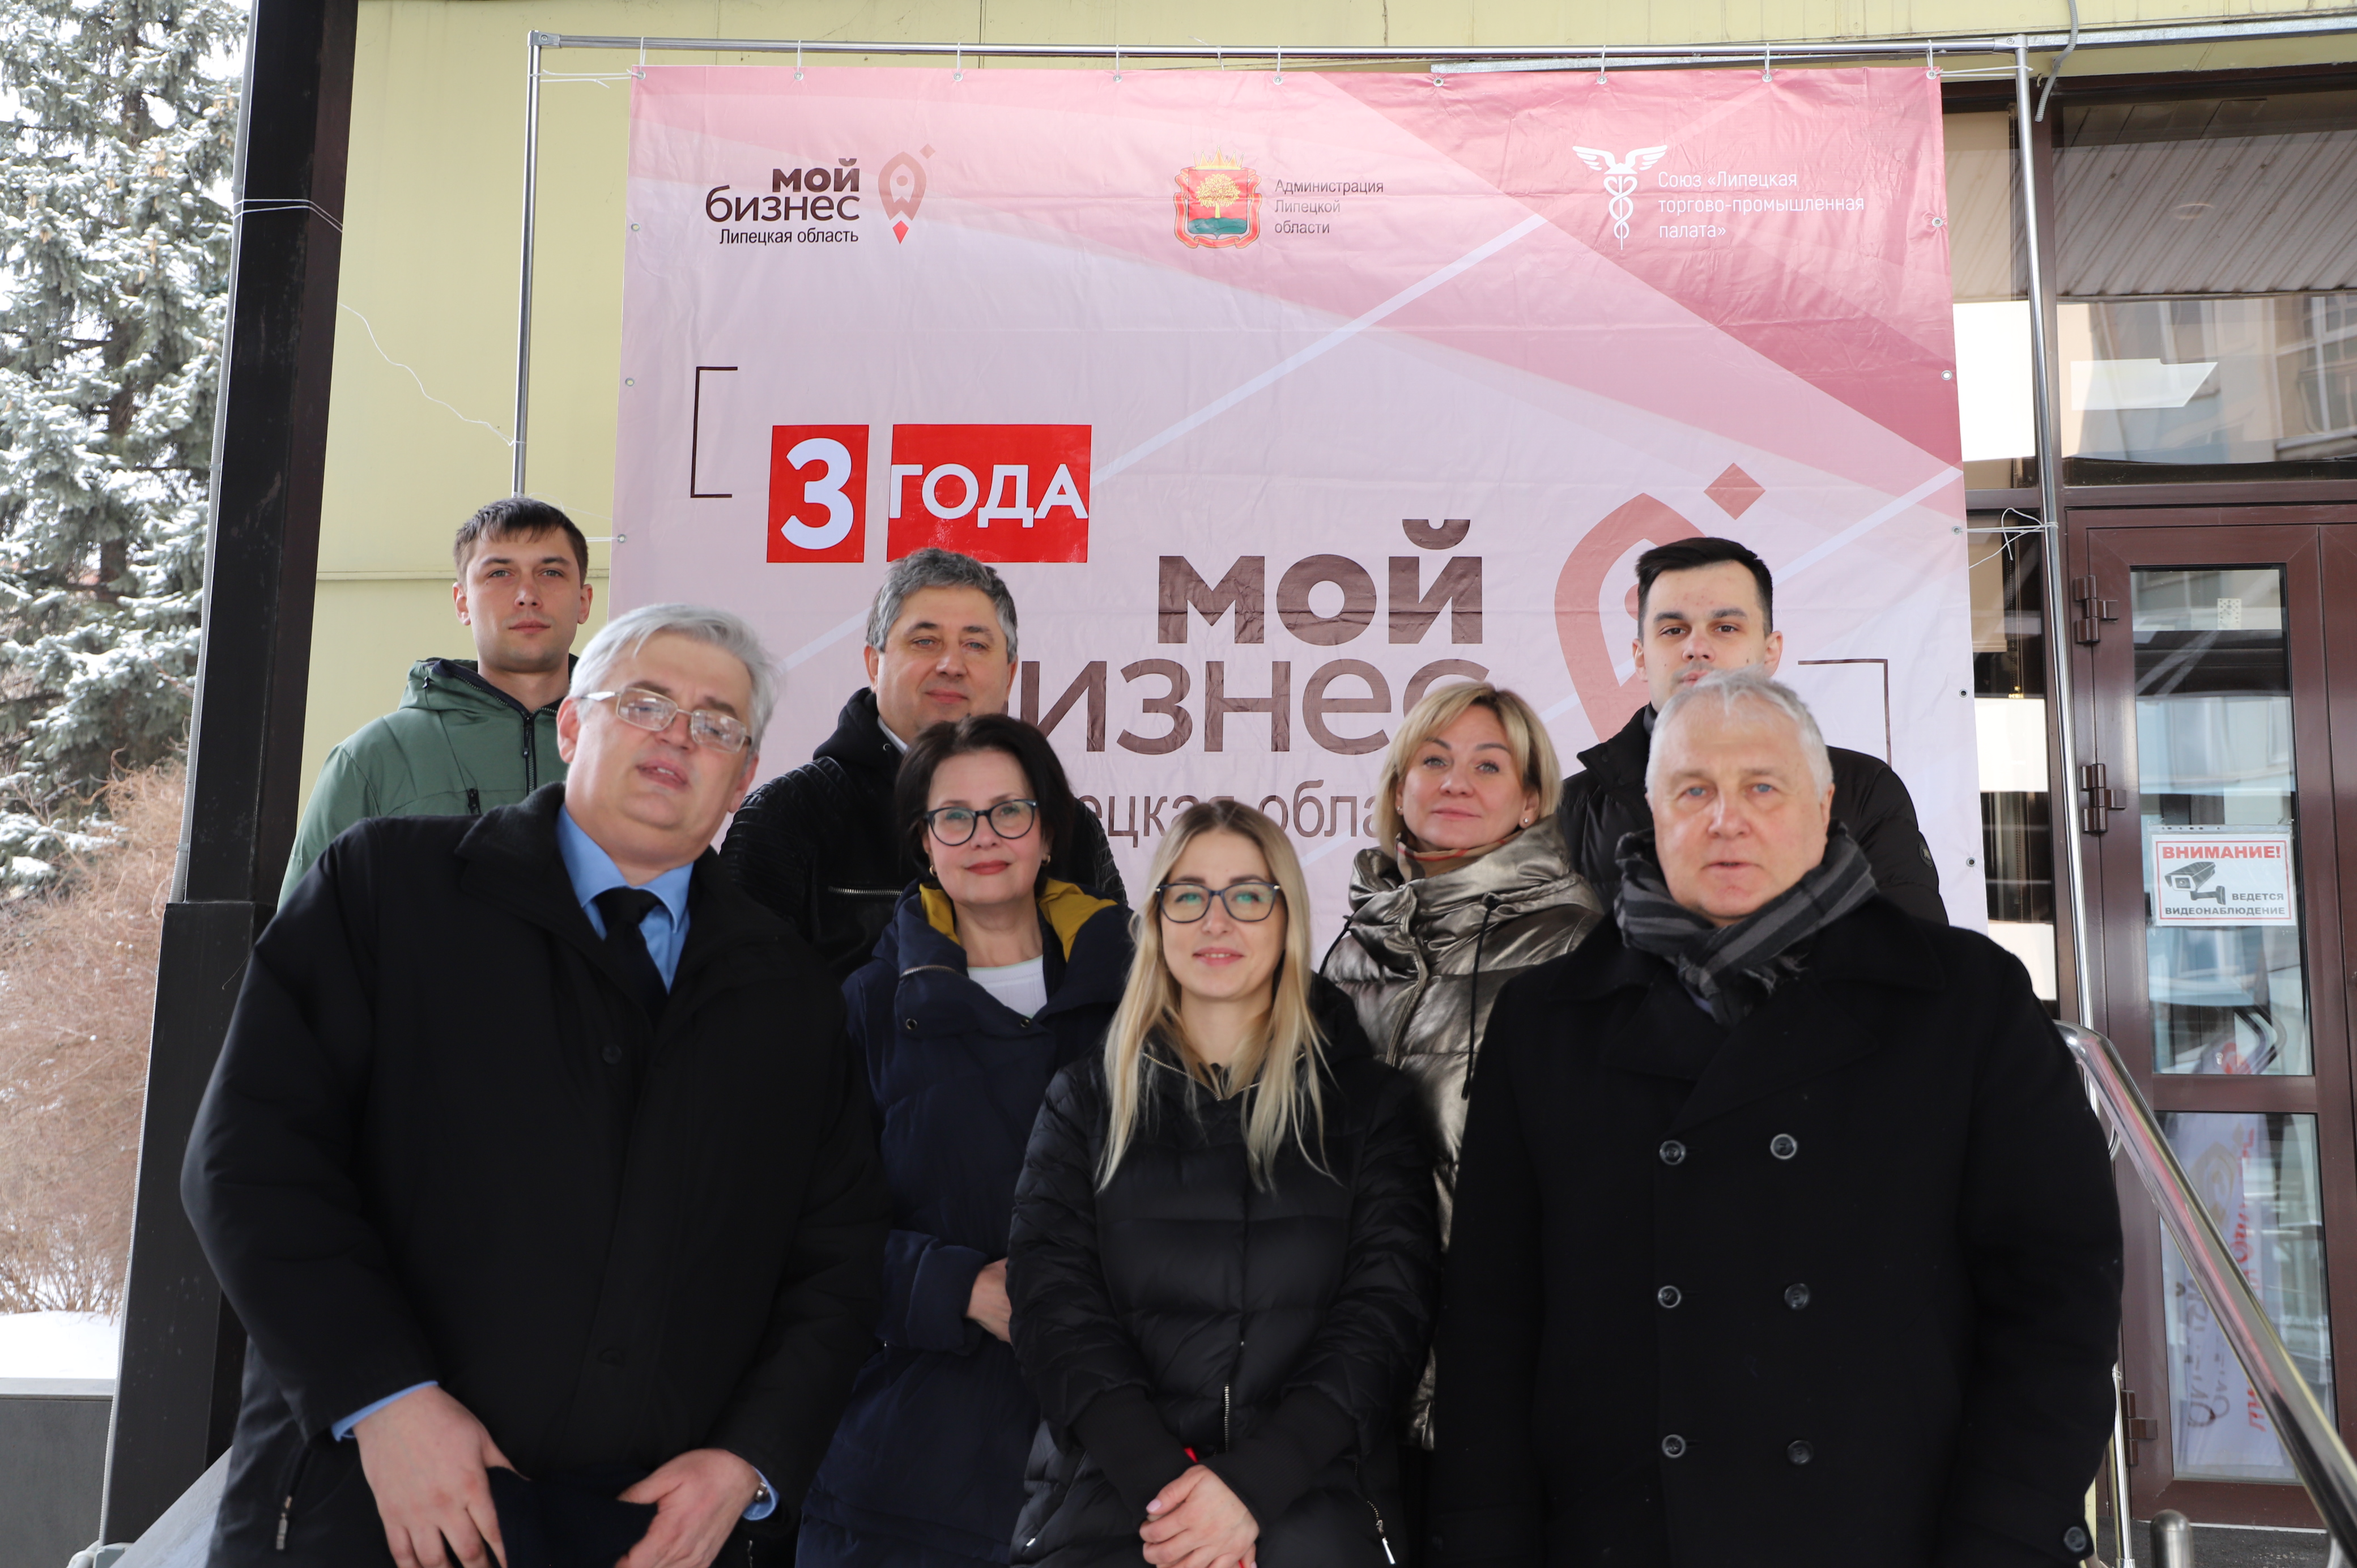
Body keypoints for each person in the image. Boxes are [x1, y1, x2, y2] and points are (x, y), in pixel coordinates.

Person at [185, 603, 891, 1568]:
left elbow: (838, 1259)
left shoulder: (793, 992)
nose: (678, 737)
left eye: (716, 724)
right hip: (374, 1504)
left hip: (649, 1536)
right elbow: (252, 1162)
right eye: (645, 703)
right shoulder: (388, 888)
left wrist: (748, 1460)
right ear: (571, 725)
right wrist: (384, 1400)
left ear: (744, 778)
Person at [1427, 668, 2122, 1567]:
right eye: (1693, 791)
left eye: (1763, 787)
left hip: (1893, 1535)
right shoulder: (1546, 1021)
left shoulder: (1965, 1001)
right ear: (1652, 812)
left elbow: (2058, 1295)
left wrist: (2007, 1535)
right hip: (1619, 1537)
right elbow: (1490, 1323)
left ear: (1823, 805)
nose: (1727, 819)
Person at [1009, 801, 1440, 1568]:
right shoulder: (1082, 1102)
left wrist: (1251, 1489)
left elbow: (1386, 1315)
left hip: (1316, 1520)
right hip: (1113, 1522)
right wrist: (1176, 1505)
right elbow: (1054, 1312)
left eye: (1247, 894)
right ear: (1156, 918)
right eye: (1189, 894)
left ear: (1286, 917)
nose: (1217, 921)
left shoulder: (1371, 1107)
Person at [799, 713, 1134, 1568]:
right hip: (911, 1475)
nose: (984, 837)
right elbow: (801, 1229)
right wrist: (956, 1287)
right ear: (924, 840)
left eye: (1009, 811)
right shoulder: (867, 1005)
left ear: (1049, 832)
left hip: (1116, 1462)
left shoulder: (1144, 997)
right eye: (955, 816)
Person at [1320, 683, 1602, 1455]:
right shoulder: (1348, 949)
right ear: (1398, 789)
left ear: (1529, 800)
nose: (1455, 783)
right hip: (1352, 1366)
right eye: (1434, 760)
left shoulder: (1577, 945)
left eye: (1488, 765)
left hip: (1499, 1372)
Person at [725, 549, 1125, 979]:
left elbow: (1127, 990)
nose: (951, 666)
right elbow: (743, 998)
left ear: (1010, 676)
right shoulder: (787, 816)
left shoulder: (1066, 824)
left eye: (975, 645)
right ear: (874, 665)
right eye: (925, 642)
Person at [1559, 536, 1946, 923]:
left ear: (1770, 652)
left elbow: (1913, 951)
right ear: (1641, 657)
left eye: (1726, 627)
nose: (1696, 648)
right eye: (1674, 630)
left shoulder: (1863, 791)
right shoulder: (1566, 814)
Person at [279, 495, 596, 906]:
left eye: (551, 572)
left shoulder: (634, 747)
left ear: (584, 601)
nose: (527, 594)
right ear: (463, 603)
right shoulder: (374, 759)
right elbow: (306, 933)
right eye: (500, 573)